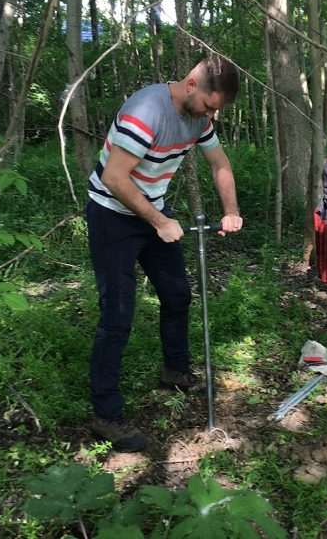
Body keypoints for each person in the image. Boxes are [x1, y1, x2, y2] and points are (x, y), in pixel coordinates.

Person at [86, 55, 243, 452]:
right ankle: (105, 413)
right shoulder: (145, 112)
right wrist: (158, 221)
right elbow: (114, 178)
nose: (210, 115)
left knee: (177, 294)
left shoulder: (200, 117)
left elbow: (219, 162)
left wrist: (231, 210)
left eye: (216, 110)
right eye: (209, 105)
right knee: (117, 315)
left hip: (152, 209)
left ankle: (175, 370)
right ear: (192, 83)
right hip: (112, 213)